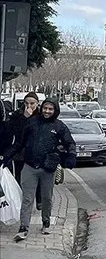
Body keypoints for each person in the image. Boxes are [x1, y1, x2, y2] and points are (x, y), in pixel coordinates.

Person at [1, 99, 76, 242]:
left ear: (55, 111)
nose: (47, 111)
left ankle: (46, 222)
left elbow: (69, 143)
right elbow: (19, 143)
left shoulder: (59, 127)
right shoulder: (32, 123)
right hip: (29, 166)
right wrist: (6, 157)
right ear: (41, 108)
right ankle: (23, 228)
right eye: (45, 108)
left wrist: (71, 156)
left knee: (47, 197)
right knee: (27, 198)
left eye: (50, 109)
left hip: (47, 168)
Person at [2, 93, 40, 199]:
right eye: (27, 103)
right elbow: (15, 132)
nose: (29, 106)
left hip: (36, 153)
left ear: (37, 104)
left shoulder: (40, 116)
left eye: (32, 103)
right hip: (20, 153)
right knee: (19, 178)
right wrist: (25, 118)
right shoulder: (17, 115)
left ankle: (37, 198)